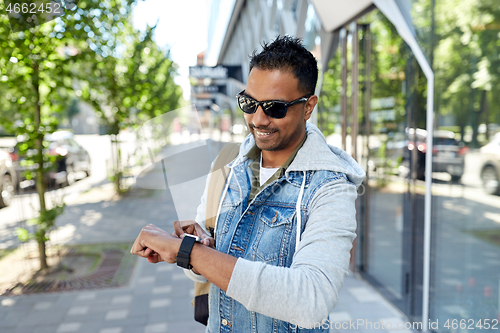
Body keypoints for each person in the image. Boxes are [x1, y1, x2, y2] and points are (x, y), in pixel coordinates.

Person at [131, 36, 365, 332]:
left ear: (308, 107)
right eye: (249, 103)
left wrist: (190, 253)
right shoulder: (228, 164)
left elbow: (312, 301)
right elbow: (202, 278)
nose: (258, 119)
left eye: (275, 107)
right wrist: (199, 246)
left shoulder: (330, 187)